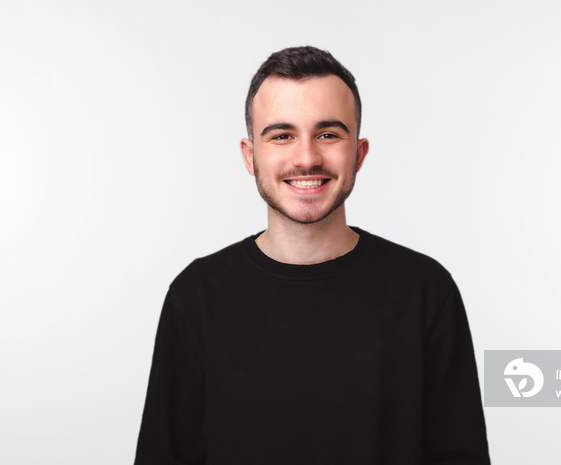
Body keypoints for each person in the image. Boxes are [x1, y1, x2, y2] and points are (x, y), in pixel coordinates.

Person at [134, 45, 491, 465]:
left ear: (358, 154)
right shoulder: (197, 295)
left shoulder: (425, 291)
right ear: (251, 157)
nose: (306, 157)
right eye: (282, 135)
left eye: (328, 134)